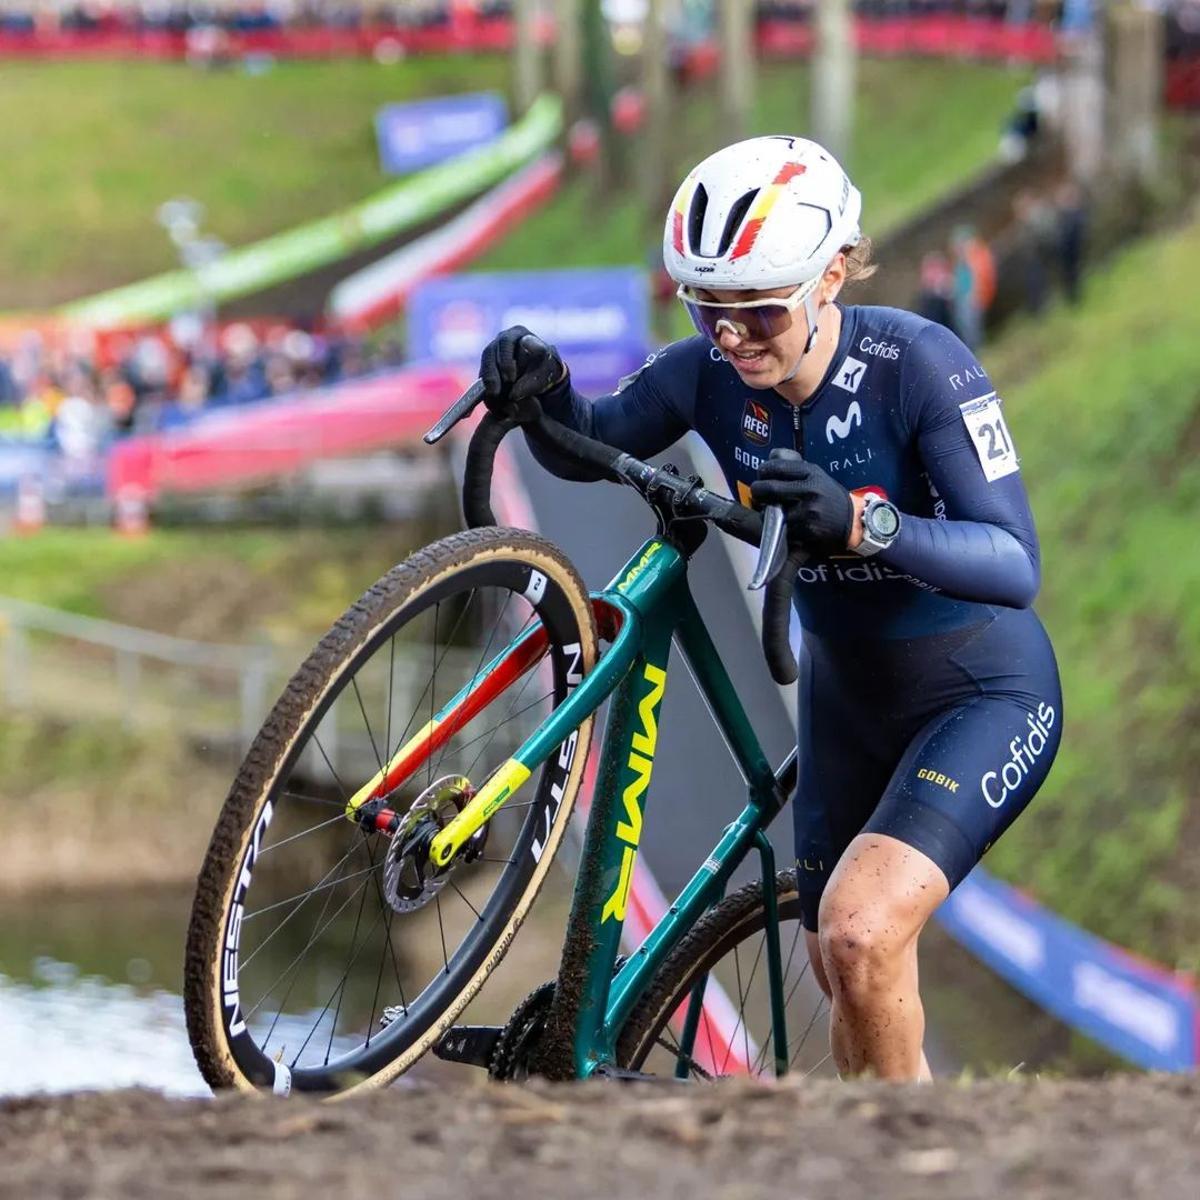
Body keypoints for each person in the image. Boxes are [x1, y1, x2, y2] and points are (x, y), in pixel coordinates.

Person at [478, 136, 1062, 1083]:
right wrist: (537, 390)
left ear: (832, 272)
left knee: (863, 932)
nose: (734, 336)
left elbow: (1013, 561)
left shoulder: (918, 364)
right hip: (846, 698)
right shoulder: (705, 376)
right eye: (708, 309)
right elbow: (589, 444)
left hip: (981, 693)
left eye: (757, 310)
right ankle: (916, 1150)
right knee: (848, 968)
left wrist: (866, 525)